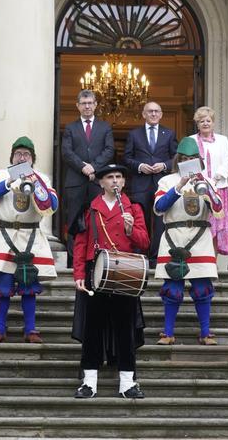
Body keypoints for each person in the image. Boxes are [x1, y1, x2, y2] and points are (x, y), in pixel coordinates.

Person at [70, 164, 149, 399]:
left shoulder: (133, 208)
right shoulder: (90, 208)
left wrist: (130, 229)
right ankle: (89, 382)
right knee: (92, 328)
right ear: (101, 183)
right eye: (109, 177)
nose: (115, 181)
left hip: (126, 273)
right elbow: (80, 244)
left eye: (119, 177)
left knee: (125, 330)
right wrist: (78, 275)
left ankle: (127, 383)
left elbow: (144, 243)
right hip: (96, 273)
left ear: (124, 182)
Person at [0, 136, 58, 344]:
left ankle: (30, 329)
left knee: (29, 284)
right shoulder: (0, 175)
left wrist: (36, 185)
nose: (22, 157)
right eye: (18, 154)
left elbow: (52, 205)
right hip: (4, 236)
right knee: (2, 285)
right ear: (12, 156)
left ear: (32, 159)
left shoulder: (41, 178)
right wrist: (8, 182)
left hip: (31, 236)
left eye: (26, 154)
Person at [153, 137, 224, 346]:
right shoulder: (166, 181)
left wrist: (207, 187)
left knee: (203, 288)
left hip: (200, 237)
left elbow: (219, 211)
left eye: (193, 158)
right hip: (173, 236)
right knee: (172, 289)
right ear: (179, 160)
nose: (189, 161)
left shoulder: (207, 180)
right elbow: (159, 208)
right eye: (185, 158)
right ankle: (167, 332)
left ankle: (205, 332)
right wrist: (179, 185)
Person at [61, 90, 115, 264]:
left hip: (97, 182)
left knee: (97, 220)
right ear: (77, 106)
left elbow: (109, 150)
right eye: (83, 103)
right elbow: (66, 152)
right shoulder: (70, 127)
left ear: (95, 105)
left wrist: (94, 167)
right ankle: (72, 260)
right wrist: (83, 167)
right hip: (75, 182)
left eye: (90, 103)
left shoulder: (105, 127)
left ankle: (96, 259)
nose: (87, 106)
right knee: (73, 220)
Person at [123, 101, 177, 263]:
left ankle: (157, 255)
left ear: (161, 115)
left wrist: (165, 165)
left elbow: (176, 158)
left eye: (156, 111)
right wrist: (139, 166)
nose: (153, 114)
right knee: (141, 220)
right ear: (144, 114)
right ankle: (141, 255)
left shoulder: (169, 134)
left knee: (161, 220)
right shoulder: (134, 134)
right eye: (150, 111)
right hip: (141, 184)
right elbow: (126, 158)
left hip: (162, 183)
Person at [190, 106, 228, 255]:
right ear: (197, 124)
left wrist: (215, 179)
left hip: (218, 188)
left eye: (208, 120)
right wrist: (203, 180)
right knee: (200, 225)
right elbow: (189, 161)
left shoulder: (222, 140)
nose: (205, 123)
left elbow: (226, 160)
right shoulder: (191, 140)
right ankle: (198, 260)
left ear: (213, 122)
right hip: (197, 189)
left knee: (216, 226)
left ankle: (212, 264)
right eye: (202, 121)